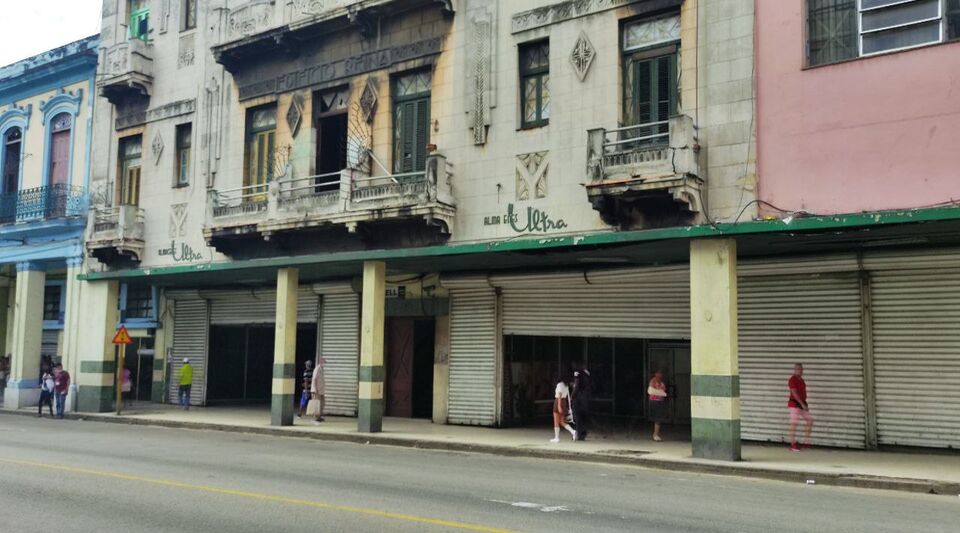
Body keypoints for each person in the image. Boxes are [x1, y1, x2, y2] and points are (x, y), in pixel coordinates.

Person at [787, 363, 814, 452]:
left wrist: (805, 404)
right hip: (794, 404)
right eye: (798, 369)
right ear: (795, 370)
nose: (800, 371)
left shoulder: (801, 380)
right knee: (794, 424)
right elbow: (794, 393)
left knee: (810, 420)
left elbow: (803, 394)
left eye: (801, 369)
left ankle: (806, 441)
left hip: (802, 404)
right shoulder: (792, 380)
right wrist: (802, 404)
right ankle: (793, 444)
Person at [550, 374, 576, 443]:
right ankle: (573, 431)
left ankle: (557, 437)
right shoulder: (566, 385)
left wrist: (558, 405)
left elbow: (559, 394)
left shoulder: (559, 384)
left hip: (558, 401)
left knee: (556, 420)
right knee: (562, 421)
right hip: (564, 401)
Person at [572, 363, 593, 441]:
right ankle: (583, 434)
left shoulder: (577, 372)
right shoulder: (587, 372)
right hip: (586, 397)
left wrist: (572, 396)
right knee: (584, 416)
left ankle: (578, 434)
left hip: (579, 397)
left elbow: (577, 385)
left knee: (577, 416)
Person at [647, 371, 668, 442]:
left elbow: (663, 392)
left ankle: (656, 434)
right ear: (655, 374)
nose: (660, 374)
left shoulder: (661, 382)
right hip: (654, 401)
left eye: (661, 373)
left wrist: (662, 394)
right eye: (658, 373)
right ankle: (655, 434)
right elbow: (650, 391)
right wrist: (661, 393)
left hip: (660, 401)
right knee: (657, 418)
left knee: (659, 418)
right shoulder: (653, 381)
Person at [311, 357, 325, 424]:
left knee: (322, 403)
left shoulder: (321, 369)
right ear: (320, 362)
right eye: (323, 361)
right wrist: (315, 389)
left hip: (321, 390)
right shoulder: (317, 369)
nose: (324, 363)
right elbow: (314, 379)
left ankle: (319, 416)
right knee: (316, 404)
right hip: (317, 390)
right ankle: (316, 418)